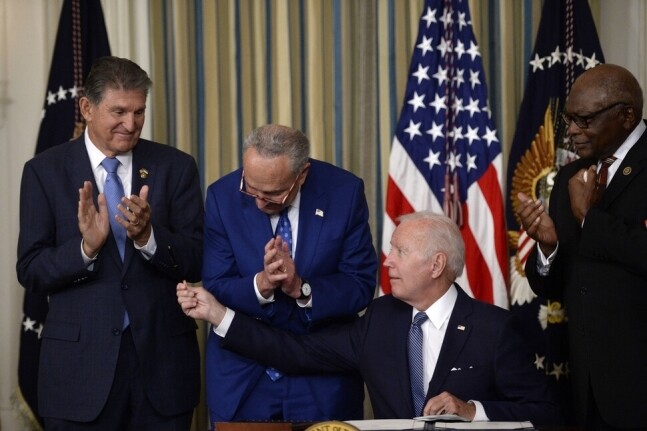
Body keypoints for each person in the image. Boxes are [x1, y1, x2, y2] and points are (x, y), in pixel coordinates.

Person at [180, 211, 562, 426]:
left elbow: (545, 413)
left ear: (436, 265)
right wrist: (220, 314)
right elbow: (296, 351)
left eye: (399, 250)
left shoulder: (494, 329)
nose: (387, 260)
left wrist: (471, 410)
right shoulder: (381, 319)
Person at [17, 56, 203, 430]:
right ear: (87, 107)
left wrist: (148, 237)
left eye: (139, 112)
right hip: (78, 375)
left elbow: (198, 260)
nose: (131, 124)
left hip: (162, 372)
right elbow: (31, 270)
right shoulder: (44, 171)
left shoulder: (176, 166)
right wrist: (85, 249)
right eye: (118, 111)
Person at [201, 123, 377, 422]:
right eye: (251, 188)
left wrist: (301, 288)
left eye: (272, 194)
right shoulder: (222, 196)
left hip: (321, 379)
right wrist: (262, 284)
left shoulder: (343, 192)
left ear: (302, 175)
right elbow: (217, 282)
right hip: (246, 379)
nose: (258, 201)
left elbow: (360, 284)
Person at [517, 63, 647, 430]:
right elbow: (553, 285)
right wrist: (548, 248)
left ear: (626, 115)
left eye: (584, 120)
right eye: (569, 119)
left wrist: (590, 219)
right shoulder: (570, 177)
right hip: (584, 385)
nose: (572, 131)